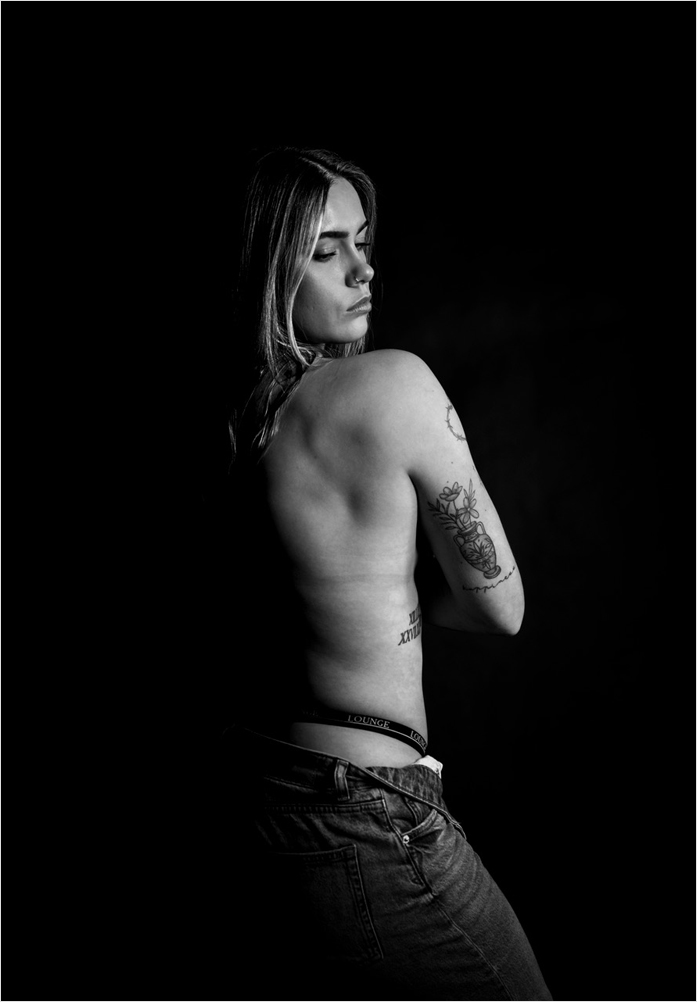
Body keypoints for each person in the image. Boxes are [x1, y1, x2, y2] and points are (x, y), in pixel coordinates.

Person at [221, 146, 552, 1001]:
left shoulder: (237, 429)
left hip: (259, 806)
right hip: (367, 809)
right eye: (325, 250)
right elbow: (500, 607)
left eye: (363, 242)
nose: (363, 270)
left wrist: (362, 589)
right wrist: (395, 586)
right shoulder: (392, 385)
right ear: (268, 271)